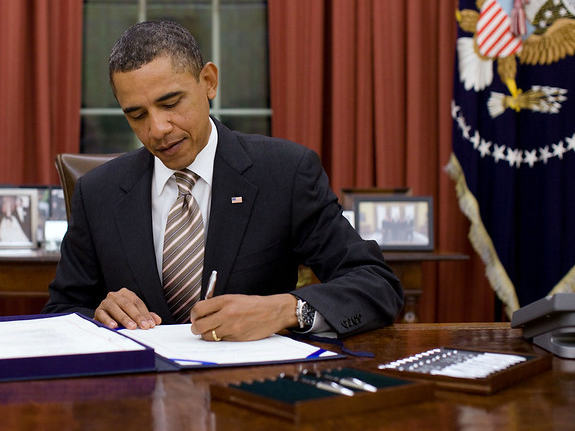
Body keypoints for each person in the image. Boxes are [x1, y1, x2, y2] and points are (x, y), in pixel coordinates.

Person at [44, 20, 403, 341]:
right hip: (141, 400)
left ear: (209, 82)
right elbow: (61, 312)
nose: (157, 129)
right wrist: (99, 315)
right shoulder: (98, 193)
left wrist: (285, 311)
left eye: (170, 104)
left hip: (251, 394)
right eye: (137, 115)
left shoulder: (285, 172)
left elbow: (377, 285)